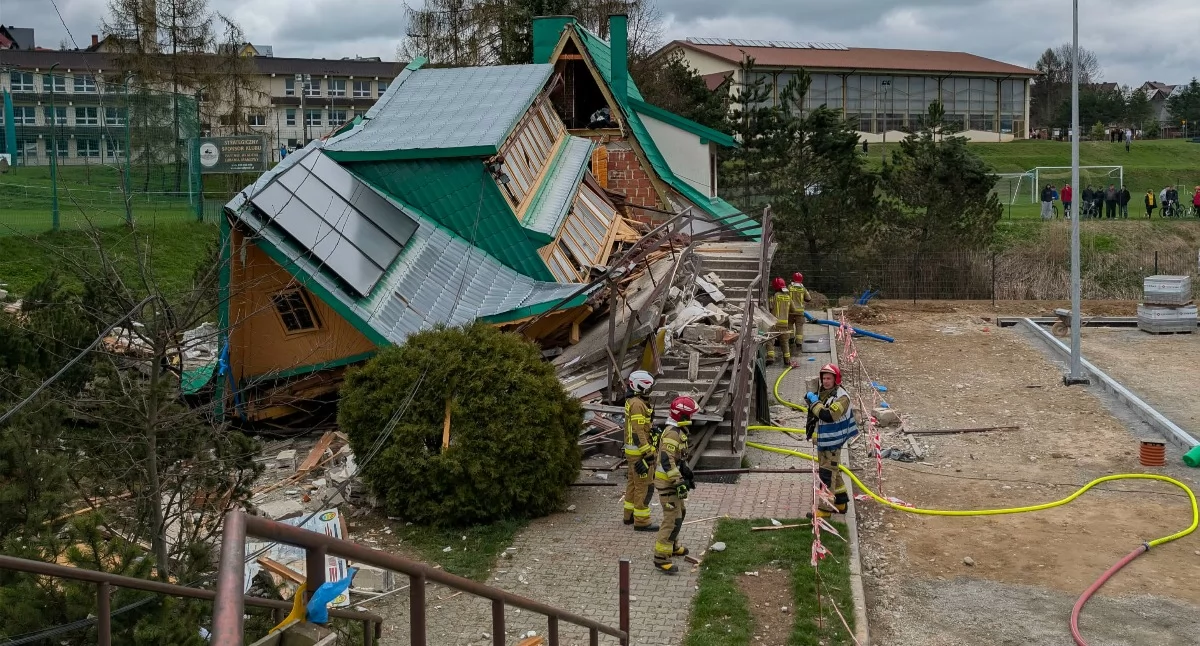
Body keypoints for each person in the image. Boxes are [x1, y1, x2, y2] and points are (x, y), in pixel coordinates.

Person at [804, 364, 858, 519]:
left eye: (829, 378)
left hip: (834, 442)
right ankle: (841, 503)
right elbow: (815, 413)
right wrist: (811, 399)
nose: (825, 381)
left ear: (836, 379)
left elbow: (827, 415)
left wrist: (813, 402)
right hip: (824, 441)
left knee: (826, 475)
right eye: (824, 378)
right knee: (833, 471)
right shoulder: (824, 393)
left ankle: (825, 510)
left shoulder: (842, 398)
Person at [653, 396, 698, 574]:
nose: (692, 419)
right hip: (667, 484)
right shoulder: (673, 433)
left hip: (672, 482)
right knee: (671, 519)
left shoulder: (679, 430)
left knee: (681, 513)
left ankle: (672, 546)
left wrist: (686, 472)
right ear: (682, 416)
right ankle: (661, 558)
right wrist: (678, 481)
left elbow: (678, 458)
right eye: (690, 415)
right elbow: (666, 459)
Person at [621, 370, 659, 532]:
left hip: (632, 452)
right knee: (644, 486)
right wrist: (648, 453)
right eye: (648, 388)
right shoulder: (637, 405)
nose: (650, 391)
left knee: (633, 484)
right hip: (639, 453)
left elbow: (641, 428)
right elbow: (638, 433)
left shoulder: (633, 401)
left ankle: (628, 516)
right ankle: (642, 521)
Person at [767, 277, 792, 365]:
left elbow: (769, 308)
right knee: (785, 343)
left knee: (770, 340)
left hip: (775, 323)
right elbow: (792, 309)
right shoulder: (788, 297)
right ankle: (787, 360)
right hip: (785, 325)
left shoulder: (774, 296)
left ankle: (770, 357)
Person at [788, 272, 810, 353]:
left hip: (790, 311)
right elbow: (808, 299)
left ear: (793, 279)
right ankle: (799, 343)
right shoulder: (803, 288)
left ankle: (790, 339)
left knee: (789, 325)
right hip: (800, 312)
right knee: (799, 327)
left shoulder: (789, 287)